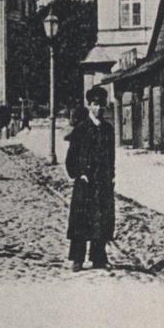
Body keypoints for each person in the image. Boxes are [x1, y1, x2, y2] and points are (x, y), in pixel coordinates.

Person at [63, 85, 116, 272]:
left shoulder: (108, 130)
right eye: (95, 104)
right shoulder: (80, 130)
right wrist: (80, 173)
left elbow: (111, 158)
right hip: (85, 184)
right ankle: (77, 259)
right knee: (81, 220)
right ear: (88, 106)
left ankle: (99, 258)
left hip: (102, 183)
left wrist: (111, 177)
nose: (99, 108)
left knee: (101, 220)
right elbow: (70, 160)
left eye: (102, 104)